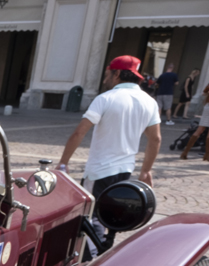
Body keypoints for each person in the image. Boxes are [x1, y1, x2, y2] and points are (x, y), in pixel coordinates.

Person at [59, 54, 160, 247]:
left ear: (117, 74)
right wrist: (146, 170)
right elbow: (155, 138)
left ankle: (94, 258)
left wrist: (63, 162)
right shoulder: (149, 102)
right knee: (113, 211)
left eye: (108, 73)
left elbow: (80, 132)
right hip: (125, 169)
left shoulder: (105, 98)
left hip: (99, 169)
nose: (105, 78)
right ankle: (105, 248)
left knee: (92, 215)